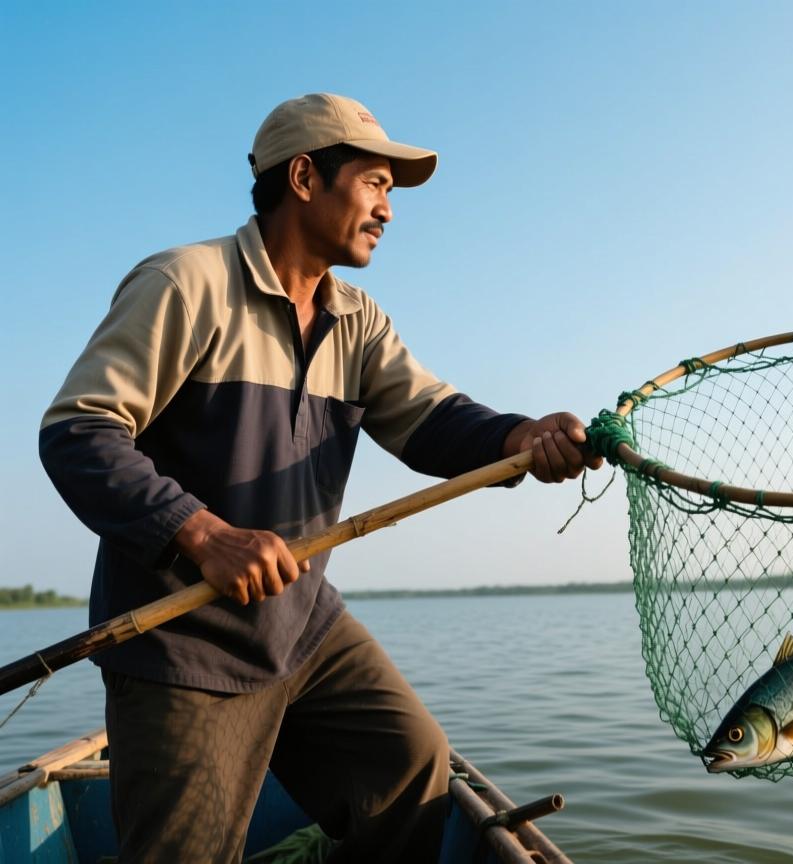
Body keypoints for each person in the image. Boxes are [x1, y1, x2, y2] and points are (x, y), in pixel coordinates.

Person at [39, 92, 603, 863]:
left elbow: (431, 416)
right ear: (304, 177)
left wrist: (518, 434)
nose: (388, 211)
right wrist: (202, 534)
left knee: (411, 771)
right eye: (375, 184)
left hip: (303, 626)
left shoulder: (356, 318)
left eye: (390, 194)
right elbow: (78, 433)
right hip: (181, 642)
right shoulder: (186, 282)